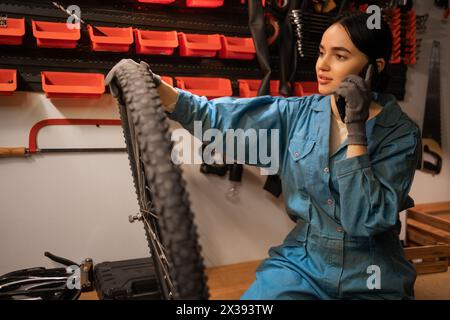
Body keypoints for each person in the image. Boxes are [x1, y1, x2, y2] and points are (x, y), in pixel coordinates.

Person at [106, 11, 421, 299]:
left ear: (373, 68)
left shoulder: (401, 134)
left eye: (340, 56)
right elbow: (221, 119)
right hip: (305, 262)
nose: (322, 65)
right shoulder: (297, 114)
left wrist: (356, 129)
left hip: (373, 270)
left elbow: (364, 219)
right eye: (322, 52)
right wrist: (152, 85)